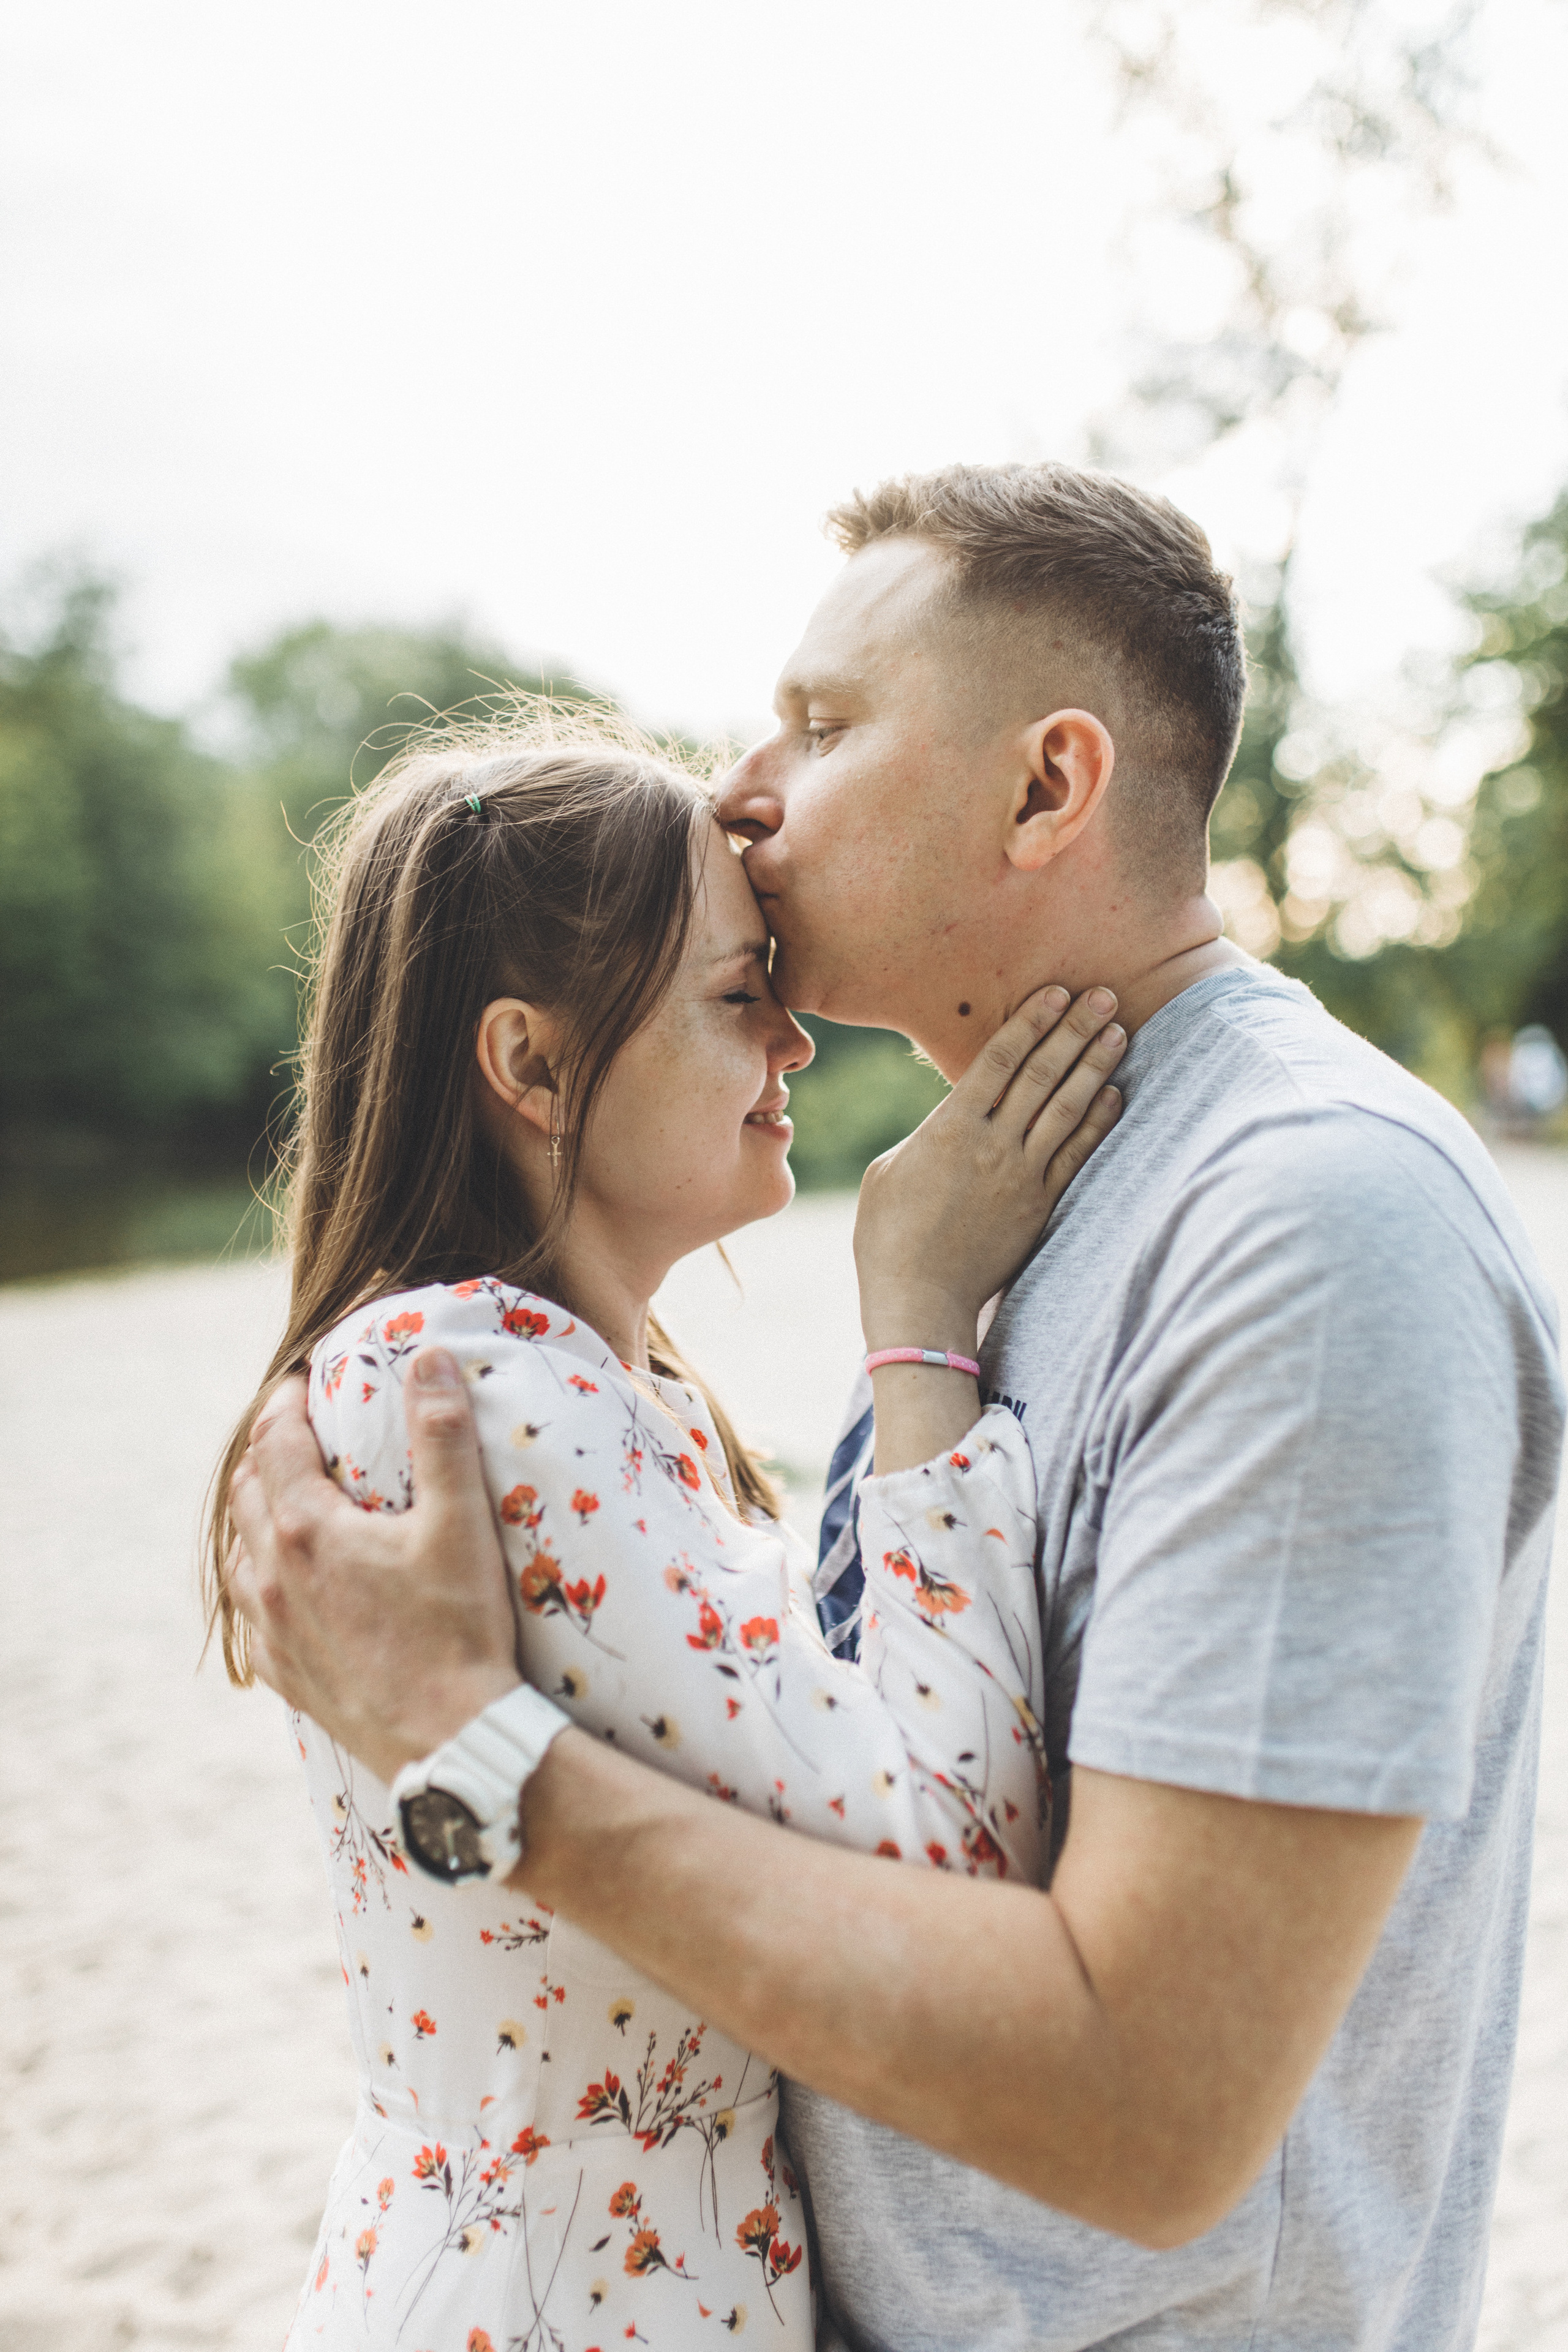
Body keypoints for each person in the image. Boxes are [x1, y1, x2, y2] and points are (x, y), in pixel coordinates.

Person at [228, 462, 1564, 2352]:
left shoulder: (1308, 1225)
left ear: (1048, 787)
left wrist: (474, 1757)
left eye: (825, 723)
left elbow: (1152, 2108)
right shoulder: (1014, 1197)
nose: (742, 781)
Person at [207, 711, 1127, 2348]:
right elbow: (956, 1857)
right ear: (531, 1064)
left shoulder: (538, 1375)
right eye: (734, 990)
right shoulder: (485, 1395)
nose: (793, 1039)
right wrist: (920, 1317)